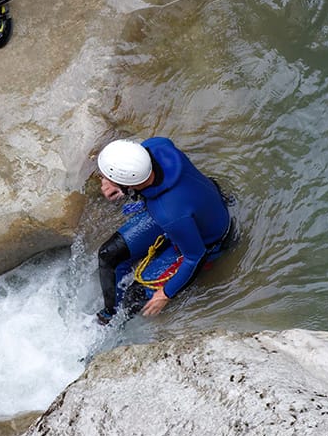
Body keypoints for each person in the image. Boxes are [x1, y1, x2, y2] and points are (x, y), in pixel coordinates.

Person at [92, 138, 233, 324]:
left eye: (108, 178)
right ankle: (109, 314)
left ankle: (118, 322)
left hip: (205, 239)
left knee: (133, 299)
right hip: (189, 207)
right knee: (108, 255)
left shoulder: (168, 212)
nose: (104, 181)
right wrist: (121, 186)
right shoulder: (158, 146)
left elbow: (195, 257)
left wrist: (165, 294)